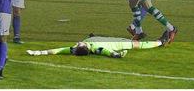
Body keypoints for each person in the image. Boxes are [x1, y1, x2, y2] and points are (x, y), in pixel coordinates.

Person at [27, 34, 168, 58]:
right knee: (140, 45)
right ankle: (161, 41)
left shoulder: (74, 49)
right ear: (85, 47)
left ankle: (136, 36)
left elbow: (57, 51)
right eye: (79, 44)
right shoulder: (94, 48)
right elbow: (105, 51)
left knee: (92, 36)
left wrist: (38, 52)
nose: (77, 43)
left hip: (108, 40)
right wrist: (116, 55)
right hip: (118, 45)